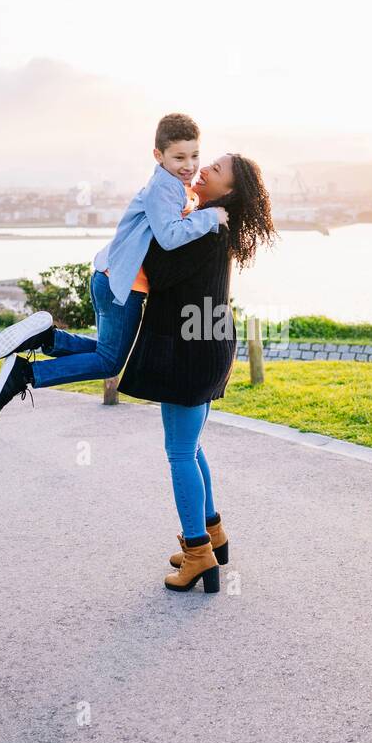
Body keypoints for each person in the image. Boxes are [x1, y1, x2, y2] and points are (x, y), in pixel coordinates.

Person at [0, 113, 227, 418]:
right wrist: (211, 217)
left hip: (112, 278)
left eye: (195, 155)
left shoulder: (172, 186)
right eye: (179, 157)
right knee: (109, 362)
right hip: (122, 287)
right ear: (159, 155)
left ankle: (46, 338)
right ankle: (26, 374)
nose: (189, 165)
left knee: (105, 352)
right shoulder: (164, 187)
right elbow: (169, 236)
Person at [116, 153, 277, 593]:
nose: (203, 169)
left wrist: (150, 220)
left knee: (180, 452)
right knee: (190, 444)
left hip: (190, 348)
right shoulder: (209, 222)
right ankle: (212, 535)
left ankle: (197, 555)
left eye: (216, 170)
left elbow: (160, 271)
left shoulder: (204, 229)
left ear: (230, 191)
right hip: (206, 343)